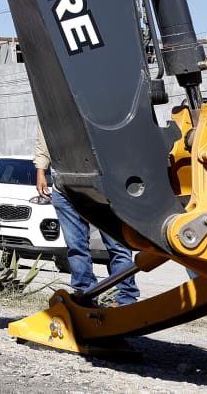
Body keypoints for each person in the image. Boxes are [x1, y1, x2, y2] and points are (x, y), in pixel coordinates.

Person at [33, 124, 139, 306]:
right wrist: (41, 171)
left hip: (103, 186)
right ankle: (85, 295)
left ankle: (127, 300)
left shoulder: (98, 99)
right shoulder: (52, 101)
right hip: (64, 188)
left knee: (118, 245)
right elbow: (44, 139)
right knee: (76, 247)